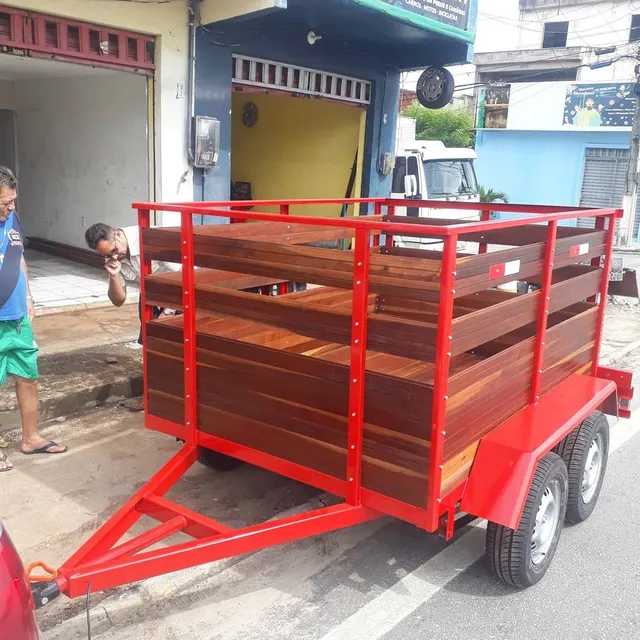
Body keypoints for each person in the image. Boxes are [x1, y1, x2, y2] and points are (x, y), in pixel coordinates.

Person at [0, 167, 67, 472]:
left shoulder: (12, 219)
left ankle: (31, 438)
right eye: (5, 202)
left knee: (28, 377)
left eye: (13, 200)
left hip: (18, 319)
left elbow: (19, 255)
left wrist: (28, 297)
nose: (11, 207)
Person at [84, 223, 180, 411]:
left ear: (117, 235)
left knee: (177, 347)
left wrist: (167, 313)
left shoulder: (151, 238)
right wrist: (113, 276)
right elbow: (118, 300)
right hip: (152, 293)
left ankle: (177, 396)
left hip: (181, 290)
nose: (112, 257)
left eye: (113, 251)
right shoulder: (112, 257)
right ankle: (151, 396)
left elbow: (183, 275)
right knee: (150, 347)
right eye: (104, 255)